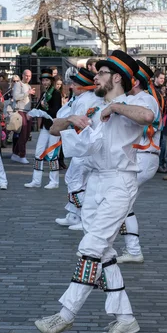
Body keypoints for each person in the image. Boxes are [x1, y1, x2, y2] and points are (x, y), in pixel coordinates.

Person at [36, 50, 155, 333]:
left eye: (101, 73)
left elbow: (147, 117)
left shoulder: (137, 99)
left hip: (119, 182)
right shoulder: (90, 102)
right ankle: (125, 319)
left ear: (116, 77)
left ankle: (65, 314)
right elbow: (53, 127)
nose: (95, 78)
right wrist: (70, 121)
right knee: (103, 254)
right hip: (95, 183)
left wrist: (114, 107)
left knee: (90, 247)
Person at [116, 60, 162, 264]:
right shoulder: (142, 98)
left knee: (121, 204)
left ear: (134, 82)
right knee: (124, 205)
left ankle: (131, 251)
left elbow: (143, 119)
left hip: (143, 158)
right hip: (140, 158)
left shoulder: (145, 100)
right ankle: (132, 250)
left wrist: (116, 107)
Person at [53, 68, 100, 230]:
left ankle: (83, 217)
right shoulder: (89, 98)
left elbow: (77, 123)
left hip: (84, 146)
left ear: (82, 86)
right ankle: (74, 214)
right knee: (75, 180)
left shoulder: (84, 100)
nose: (71, 86)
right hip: (86, 145)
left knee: (75, 181)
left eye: (74, 83)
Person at [24, 69, 62, 189]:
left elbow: (56, 111)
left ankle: (54, 181)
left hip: (54, 126)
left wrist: (40, 112)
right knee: (39, 151)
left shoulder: (55, 93)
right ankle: (36, 180)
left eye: (47, 80)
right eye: (43, 80)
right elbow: (39, 107)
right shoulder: (44, 94)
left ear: (51, 81)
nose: (45, 82)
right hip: (45, 126)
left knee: (51, 153)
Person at [11, 69, 34, 164]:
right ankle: (22, 155)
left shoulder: (28, 85)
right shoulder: (18, 84)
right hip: (20, 111)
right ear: (23, 75)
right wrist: (27, 93)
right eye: (26, 75)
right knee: (23, 134)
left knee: (27, 134)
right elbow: (15, 97)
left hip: (27, 111)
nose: (27, 77)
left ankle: (16, 153)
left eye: (29, 76)